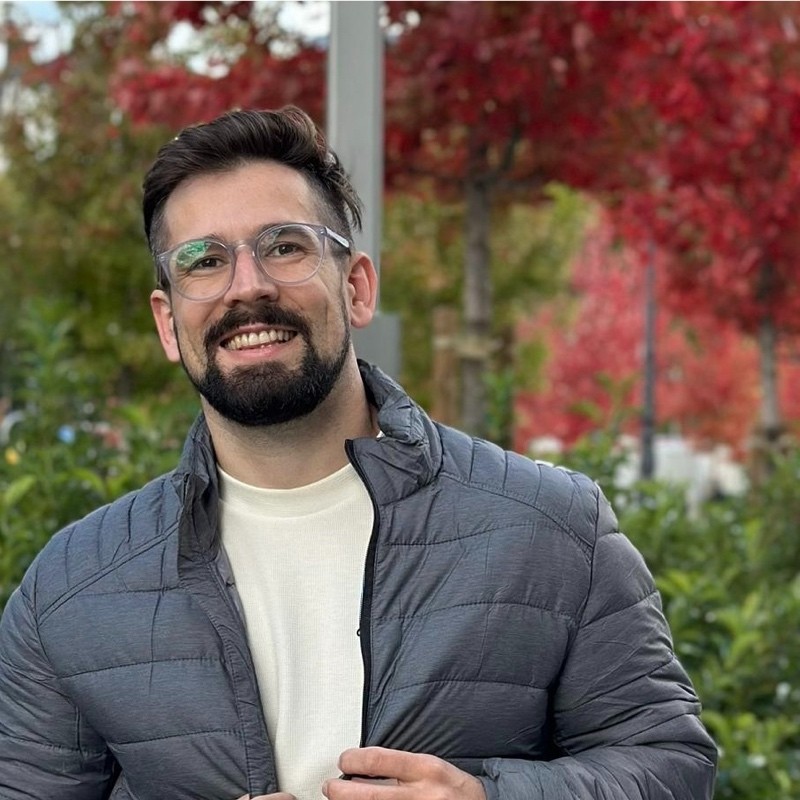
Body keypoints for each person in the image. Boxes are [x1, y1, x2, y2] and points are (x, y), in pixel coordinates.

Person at [0, 106, 717, 800]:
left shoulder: (553, 527)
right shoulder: (72, 588)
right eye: (204, 260)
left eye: (284, 246)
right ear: (167, 322)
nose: (247, 287)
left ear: (357, 287)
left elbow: (671, 766)